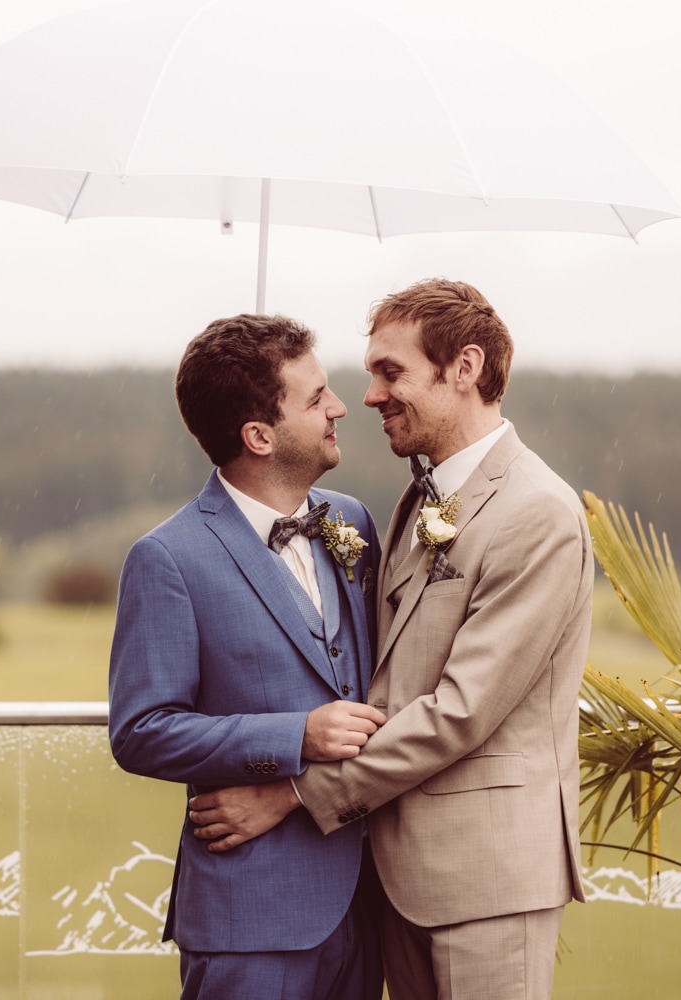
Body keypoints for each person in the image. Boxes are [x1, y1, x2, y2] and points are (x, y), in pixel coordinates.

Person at [187, 280, 594, 1000]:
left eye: (390, 371)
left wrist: (292, 793)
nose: (367, 395)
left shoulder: (538, 513)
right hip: (399, 883)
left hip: (487, 878)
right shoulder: (418, 499)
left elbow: (461, 711)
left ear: (464, 369)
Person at [108, 313, 387, 1000]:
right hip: (249, 921)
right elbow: (141, 732)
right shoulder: (167, 559)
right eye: (316, 397)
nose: (339, 407)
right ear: (258, 436)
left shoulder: (350, 523)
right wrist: (297, 735)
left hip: (369, 908)